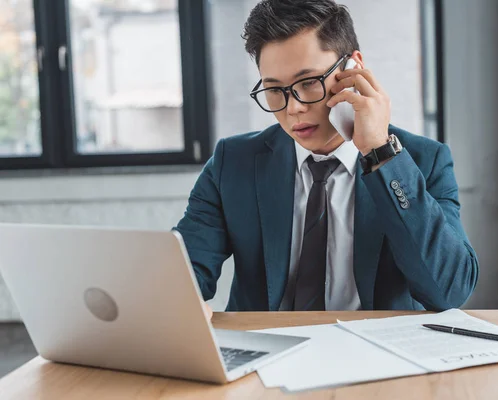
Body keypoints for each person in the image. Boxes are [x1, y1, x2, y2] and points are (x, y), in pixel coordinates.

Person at [175, 0, 478, 318]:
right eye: (275, 90)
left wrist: (381, 154)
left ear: (353, 70)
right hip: (268, 353)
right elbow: (185, 274)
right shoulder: (233, 162)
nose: (293, 108)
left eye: (308, 83)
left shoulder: (422, 160)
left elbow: (449, 291)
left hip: (377, 356)